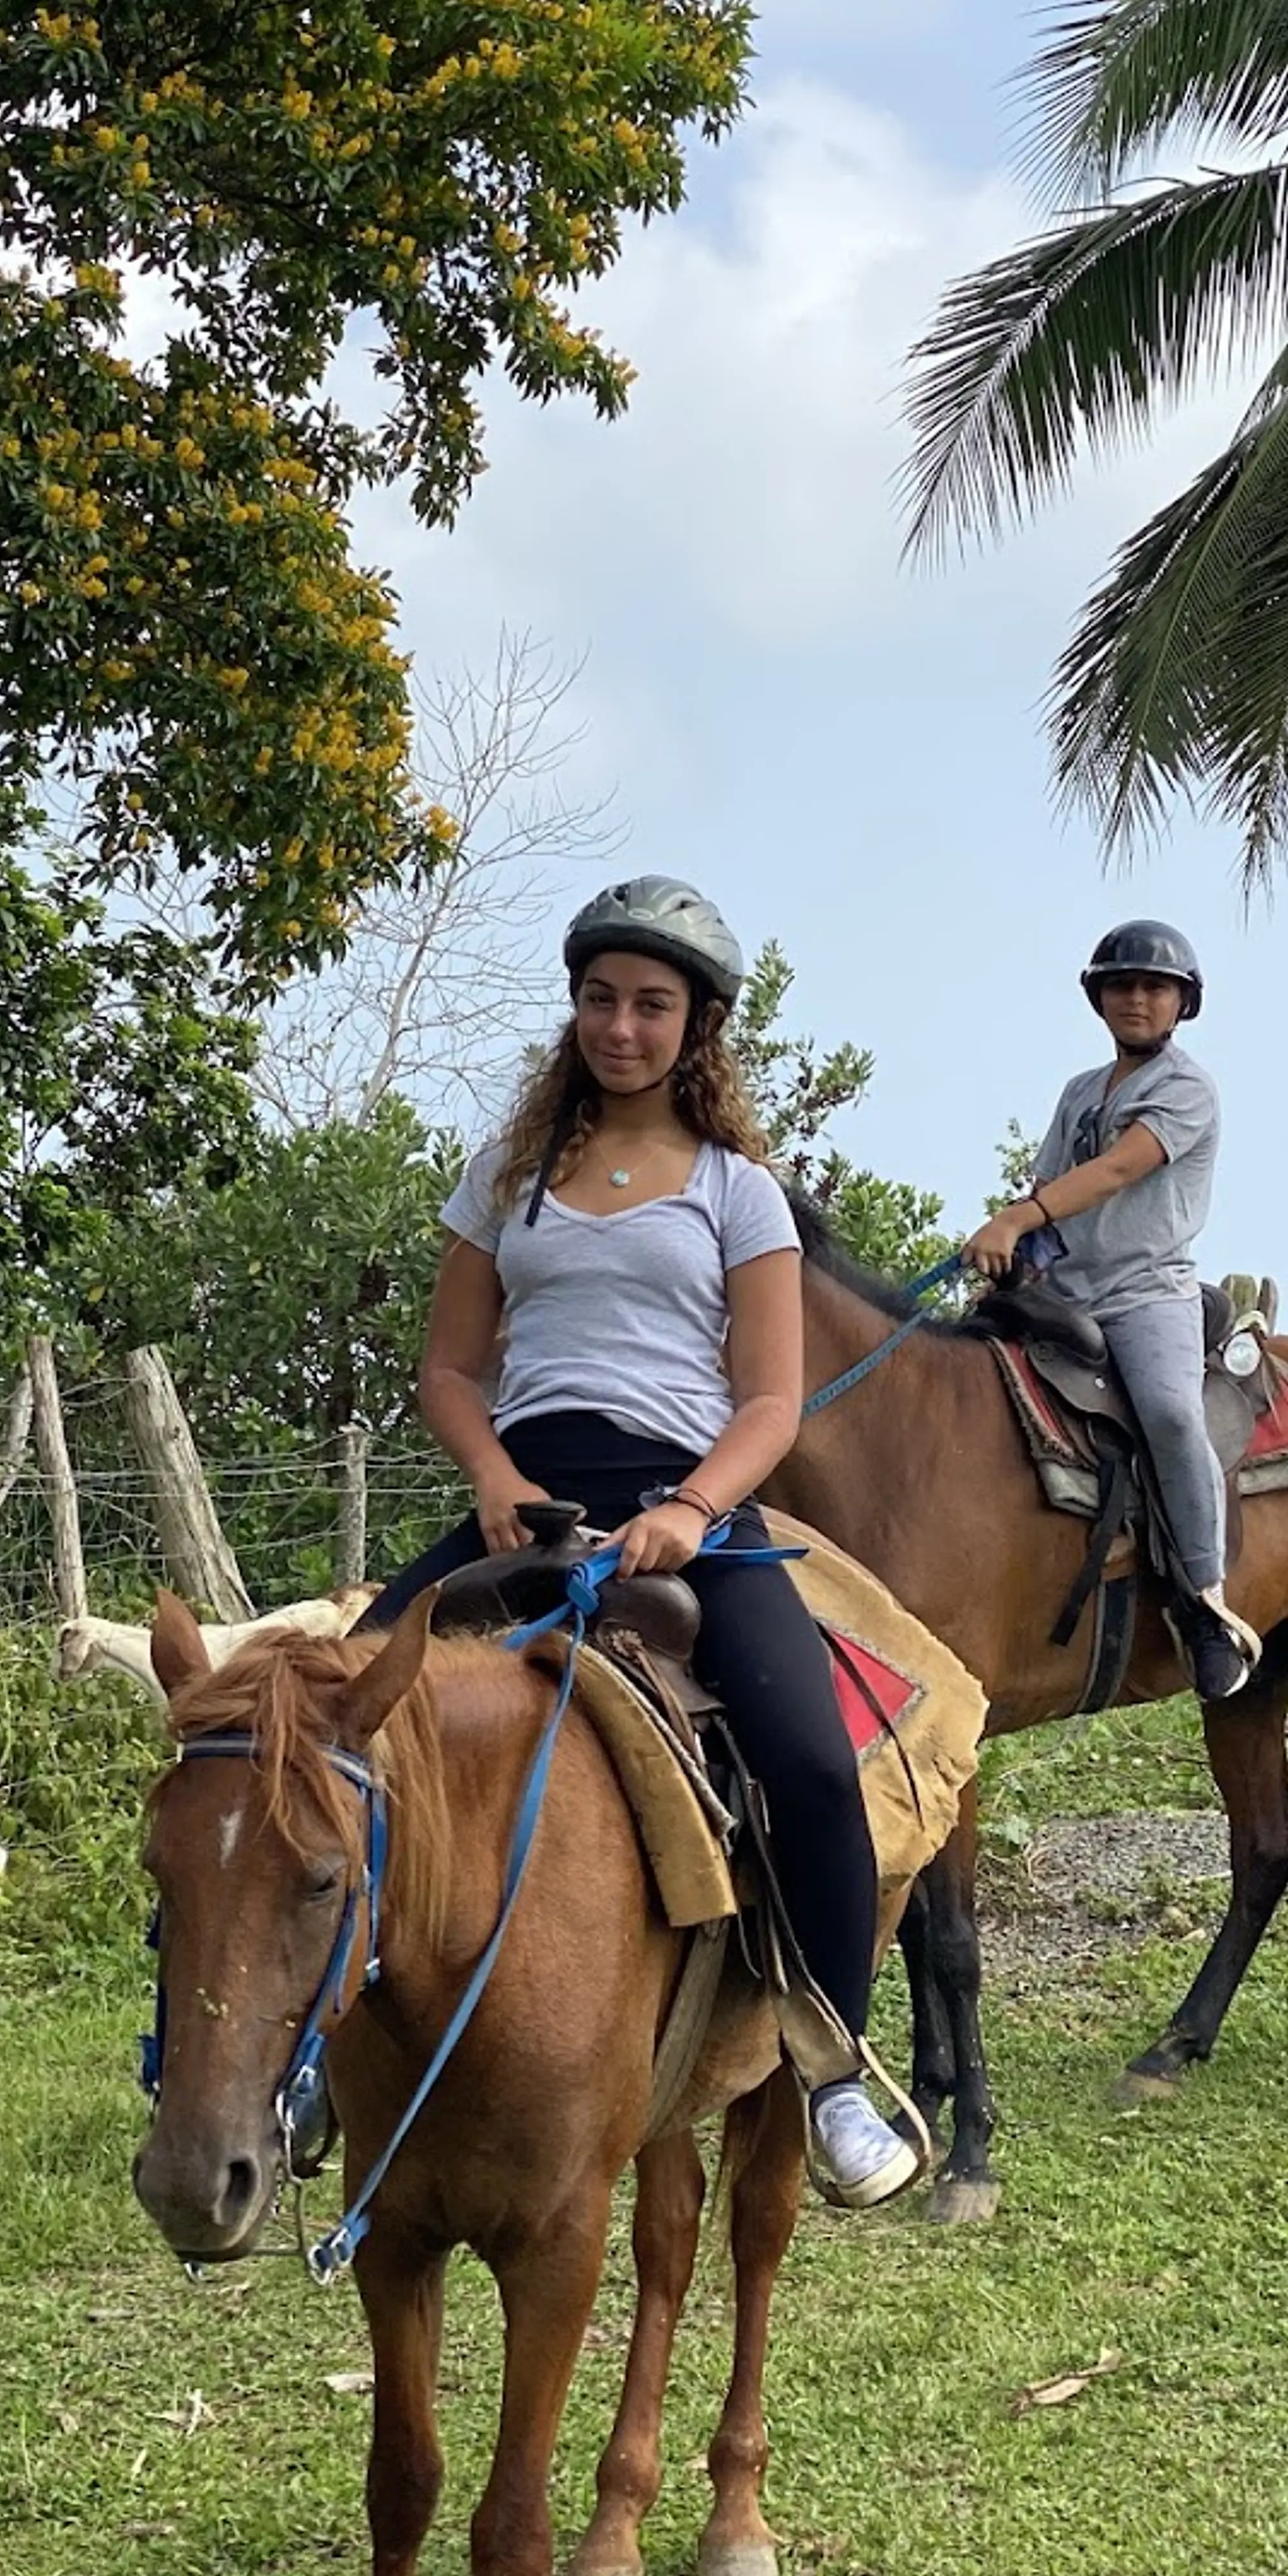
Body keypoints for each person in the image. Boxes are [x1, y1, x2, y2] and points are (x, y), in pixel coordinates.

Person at [360, 874, 918, 2209]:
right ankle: (312, 2054)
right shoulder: (505, 1178)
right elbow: (450, 1368)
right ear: (575, 1011)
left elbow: (773, 1398)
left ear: (699, 1026)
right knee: (336, 1707)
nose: (622, 1026)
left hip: (691, 1505)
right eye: (602, 999)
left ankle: (833, 2068)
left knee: (806, 1758)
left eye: (652, 1005)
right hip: (529, 1495)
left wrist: (687, 1510)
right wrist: (492, 1475)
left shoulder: (740, 1194)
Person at [963, 920, 1262, 1705]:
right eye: (1122, 985)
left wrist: (1014, 1217)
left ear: (1181, 1004)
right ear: (1099, 997)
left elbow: (1121, 1168)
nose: (1136, 998)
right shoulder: (1078, 1092)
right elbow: (1055, 1188)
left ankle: (1205, 1602)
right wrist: (1020, 1255)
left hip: (1146, 1291)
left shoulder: (1186, 1087)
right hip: (1065, 1289)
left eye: (1154, 987)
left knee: (1166, 1410)